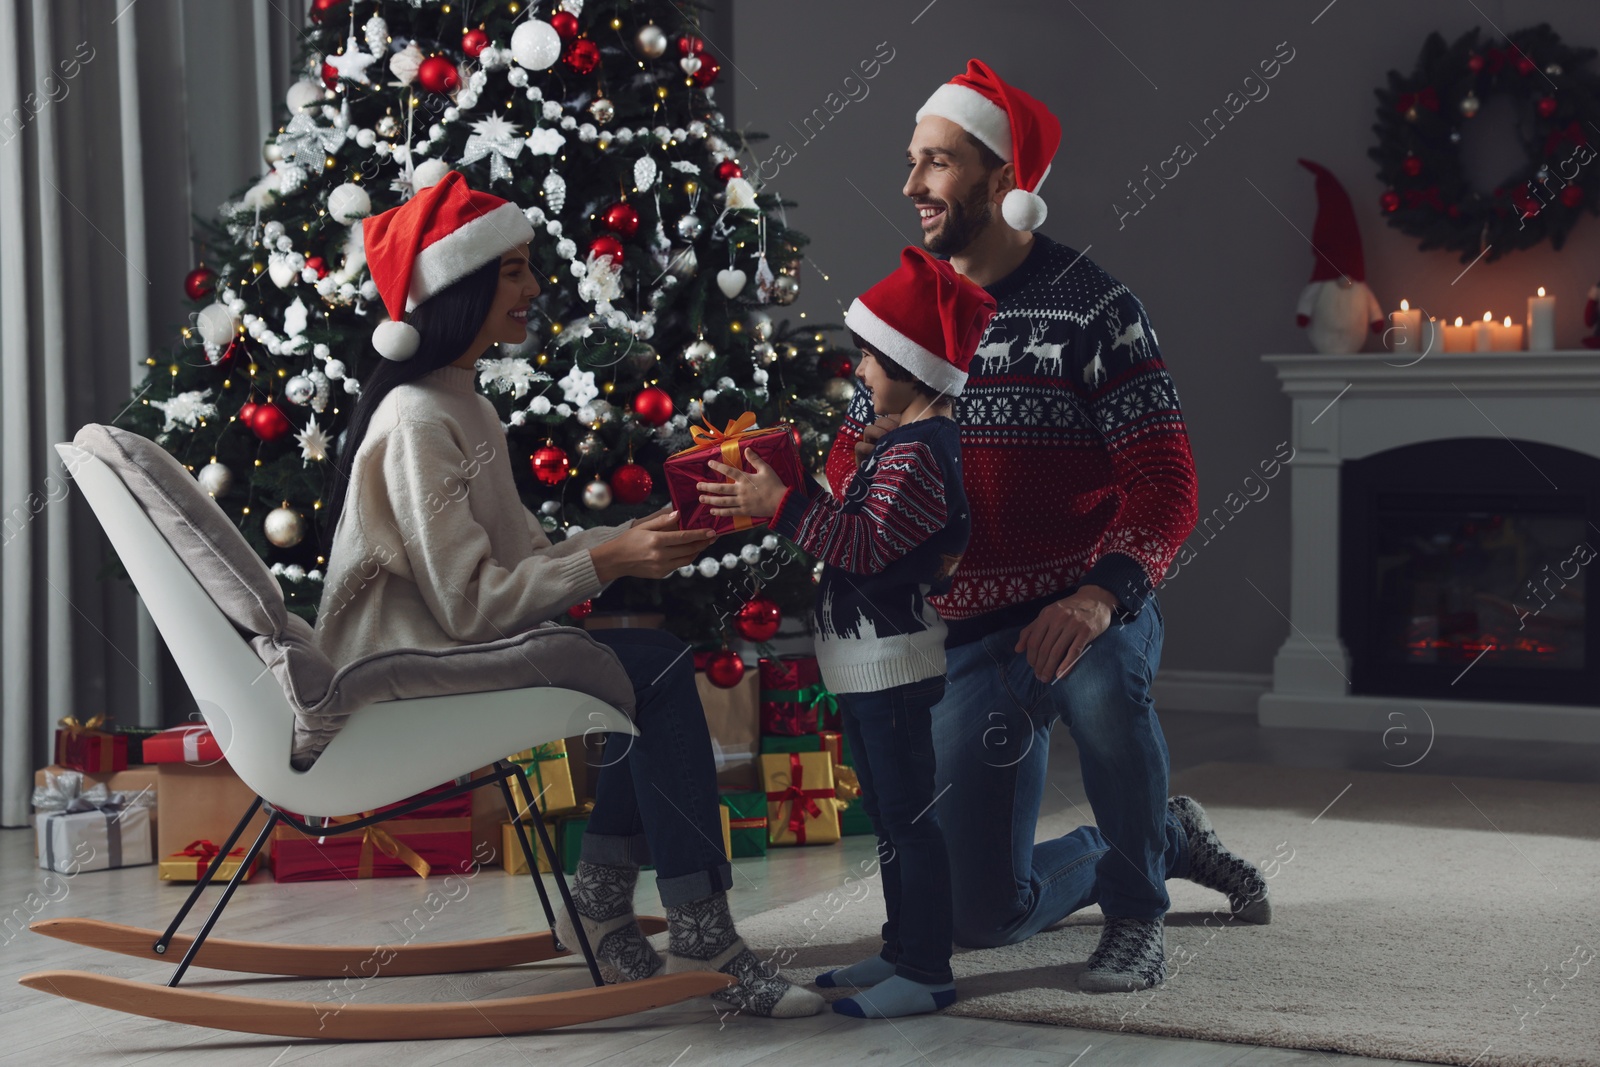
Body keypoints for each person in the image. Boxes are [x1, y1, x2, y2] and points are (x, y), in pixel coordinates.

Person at [314, 170, 822, 1019]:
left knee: (643, 664)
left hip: (445, 650)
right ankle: (690, 921)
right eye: (513, 271)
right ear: (457, 286)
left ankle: (609, 902)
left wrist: (631, 544)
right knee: (650, 669)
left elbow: (520, 561)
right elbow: (472, 606)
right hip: (407, 675)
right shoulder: (417, 420)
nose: (537, 288)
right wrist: (611, 557)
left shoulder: (455, 403)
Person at [825, 60, 1272, 993]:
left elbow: (1167, 483)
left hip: (1083, 599)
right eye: (912, 161)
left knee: (1106, 686)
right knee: (977, 917)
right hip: (966, 634)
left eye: (937, 163)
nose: (910, 186)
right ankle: (1164, 833)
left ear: (1002, 179)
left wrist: (1103, 594)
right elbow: (851, 464)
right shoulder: (909, 316)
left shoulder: (1096, 309)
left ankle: (1139, 912)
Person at [700, 247, 996, 1018]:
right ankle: (901, 947)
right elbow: (854, 504)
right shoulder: (898, 444)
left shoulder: (924, 455)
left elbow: (860, 545)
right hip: (867, 666)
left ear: (910, 360)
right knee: (890, 817)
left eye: (871, 355)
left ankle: (928, 968)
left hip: (894, 664)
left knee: (909, 818)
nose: (858, 369)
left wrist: (780, 507)